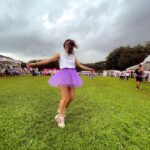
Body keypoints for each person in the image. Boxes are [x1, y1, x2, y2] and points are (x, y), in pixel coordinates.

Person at [27, 39, 94, 128]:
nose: (68, 46)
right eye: (66, 45)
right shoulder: (60, 54)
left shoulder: (73, 56)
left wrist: (90, 69)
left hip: (72, 75)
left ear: (72, 46)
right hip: (63, 75)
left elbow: (80, 65)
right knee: (65, 97)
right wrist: (35, 64)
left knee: (72, 97)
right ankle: (59, 117)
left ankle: (62, 110)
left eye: (70, 45)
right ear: (64, 46)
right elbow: (49, 60)